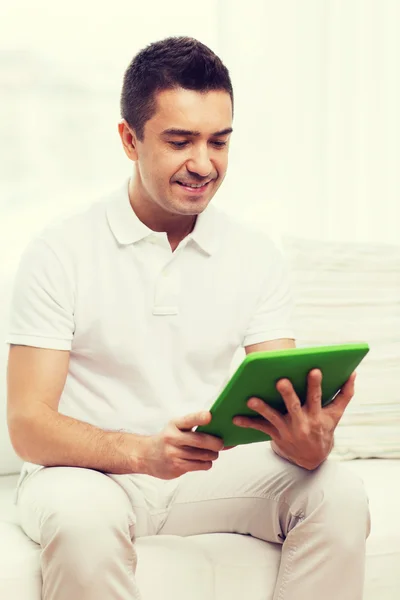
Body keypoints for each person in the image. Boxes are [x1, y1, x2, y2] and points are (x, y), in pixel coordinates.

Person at [6, 36, 370, 600]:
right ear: (130, 139)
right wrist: (142, 452)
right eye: (180, 141)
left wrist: (308, 440)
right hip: (89, 477)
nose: (204, 164)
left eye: (218, 141)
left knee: (337, 492)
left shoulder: (255, 254)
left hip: (206, 470)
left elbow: (276, 392)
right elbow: (28, 424)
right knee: (80, 524)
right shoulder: (59, 250)